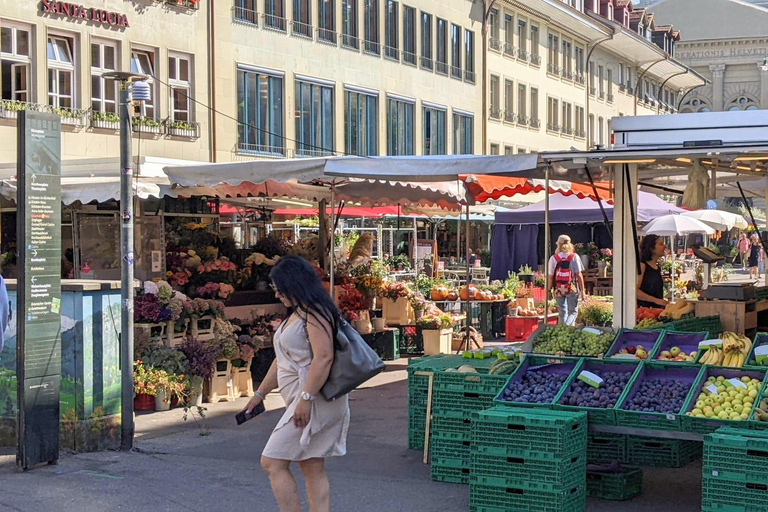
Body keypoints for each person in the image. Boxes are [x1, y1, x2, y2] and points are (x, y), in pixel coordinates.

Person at [243, 256, 349, 512]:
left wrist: (306, 399)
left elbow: (324, 358)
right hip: (307, 399)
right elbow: (282, 361)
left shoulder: (314, 312)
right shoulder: (299, 312)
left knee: (271, 461)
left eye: (280, 288)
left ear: (295, 284)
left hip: (315, 400)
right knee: (311, 465)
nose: (277, 294)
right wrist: (260, 394)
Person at [547, 235, 586, 325]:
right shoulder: (574, 257)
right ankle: (567, 328)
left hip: (558, 289)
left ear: (558, 245)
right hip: (572, 288)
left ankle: (561, 331)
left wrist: (549, 291)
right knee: (573, 312)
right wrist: (582, 291)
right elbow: (579, 275)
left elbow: (550, 276)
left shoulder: (553, 258)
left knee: (562, 313)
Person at [637, 234, 669, 309]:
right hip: (644, 312)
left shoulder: (657, 268)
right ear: (652, 249)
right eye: (661, 244)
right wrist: (656, 300)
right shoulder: (642, 266)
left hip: (657, 311)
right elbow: (635, 291)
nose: (664, 246)